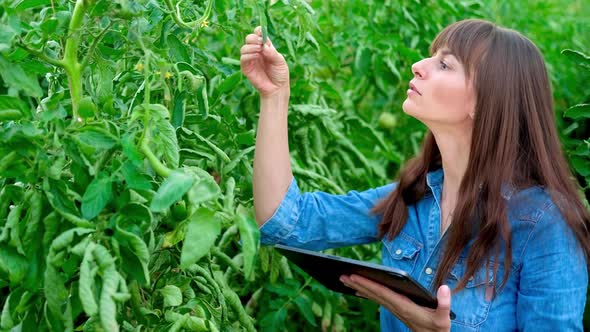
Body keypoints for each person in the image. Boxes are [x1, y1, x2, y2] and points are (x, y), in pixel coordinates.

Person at [239, 18, 590, 331]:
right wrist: (274, 96)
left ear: (484, 100)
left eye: (445, 64)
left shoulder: (544, 224)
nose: (419, 66)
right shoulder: (412, 198)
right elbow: (285, 222)